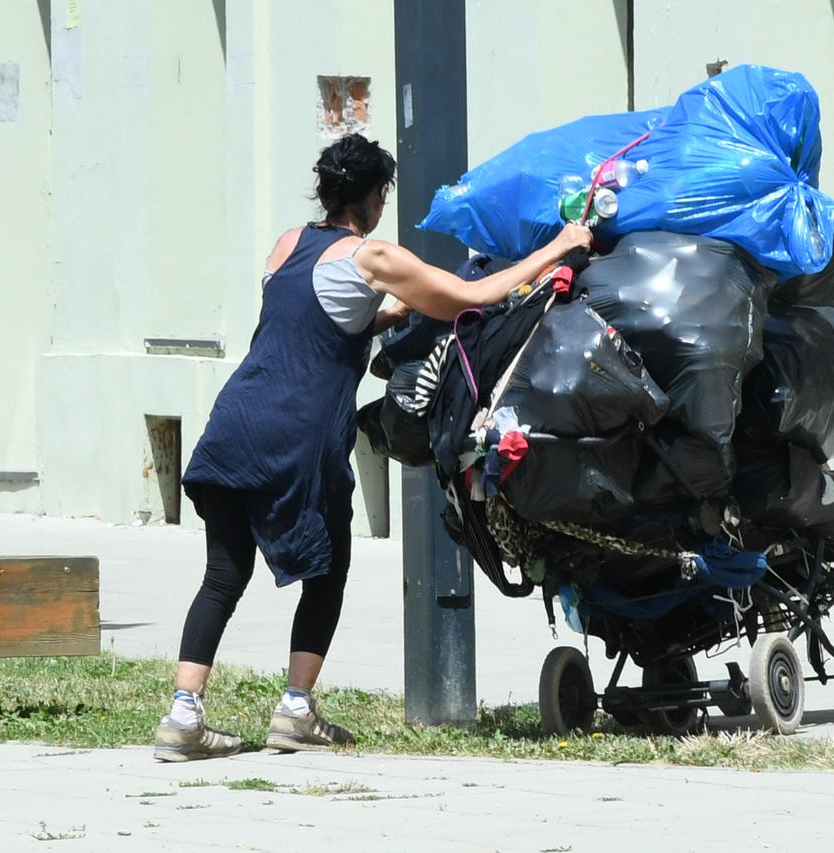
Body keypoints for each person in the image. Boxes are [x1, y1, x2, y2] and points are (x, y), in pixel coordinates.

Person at [153, 132, 591, 761]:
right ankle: (295, 709)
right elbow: (472, 296)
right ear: (375, 196)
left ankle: (183, 715)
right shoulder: (374, 255)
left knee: (224, 574)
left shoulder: (287, 245)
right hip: (299, 433)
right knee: (327, 572)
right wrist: (557, 249)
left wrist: (384, 318)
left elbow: (309, 322)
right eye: (384, 193)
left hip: (234, 422)